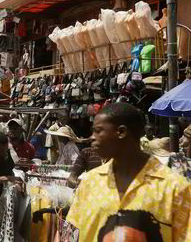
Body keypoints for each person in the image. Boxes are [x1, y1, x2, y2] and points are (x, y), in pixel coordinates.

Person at [67, 103, 191, 242]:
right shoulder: (90, 182)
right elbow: (74, 232)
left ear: (121, 132)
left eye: (98, 130)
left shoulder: (174, 188)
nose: (92, 137)